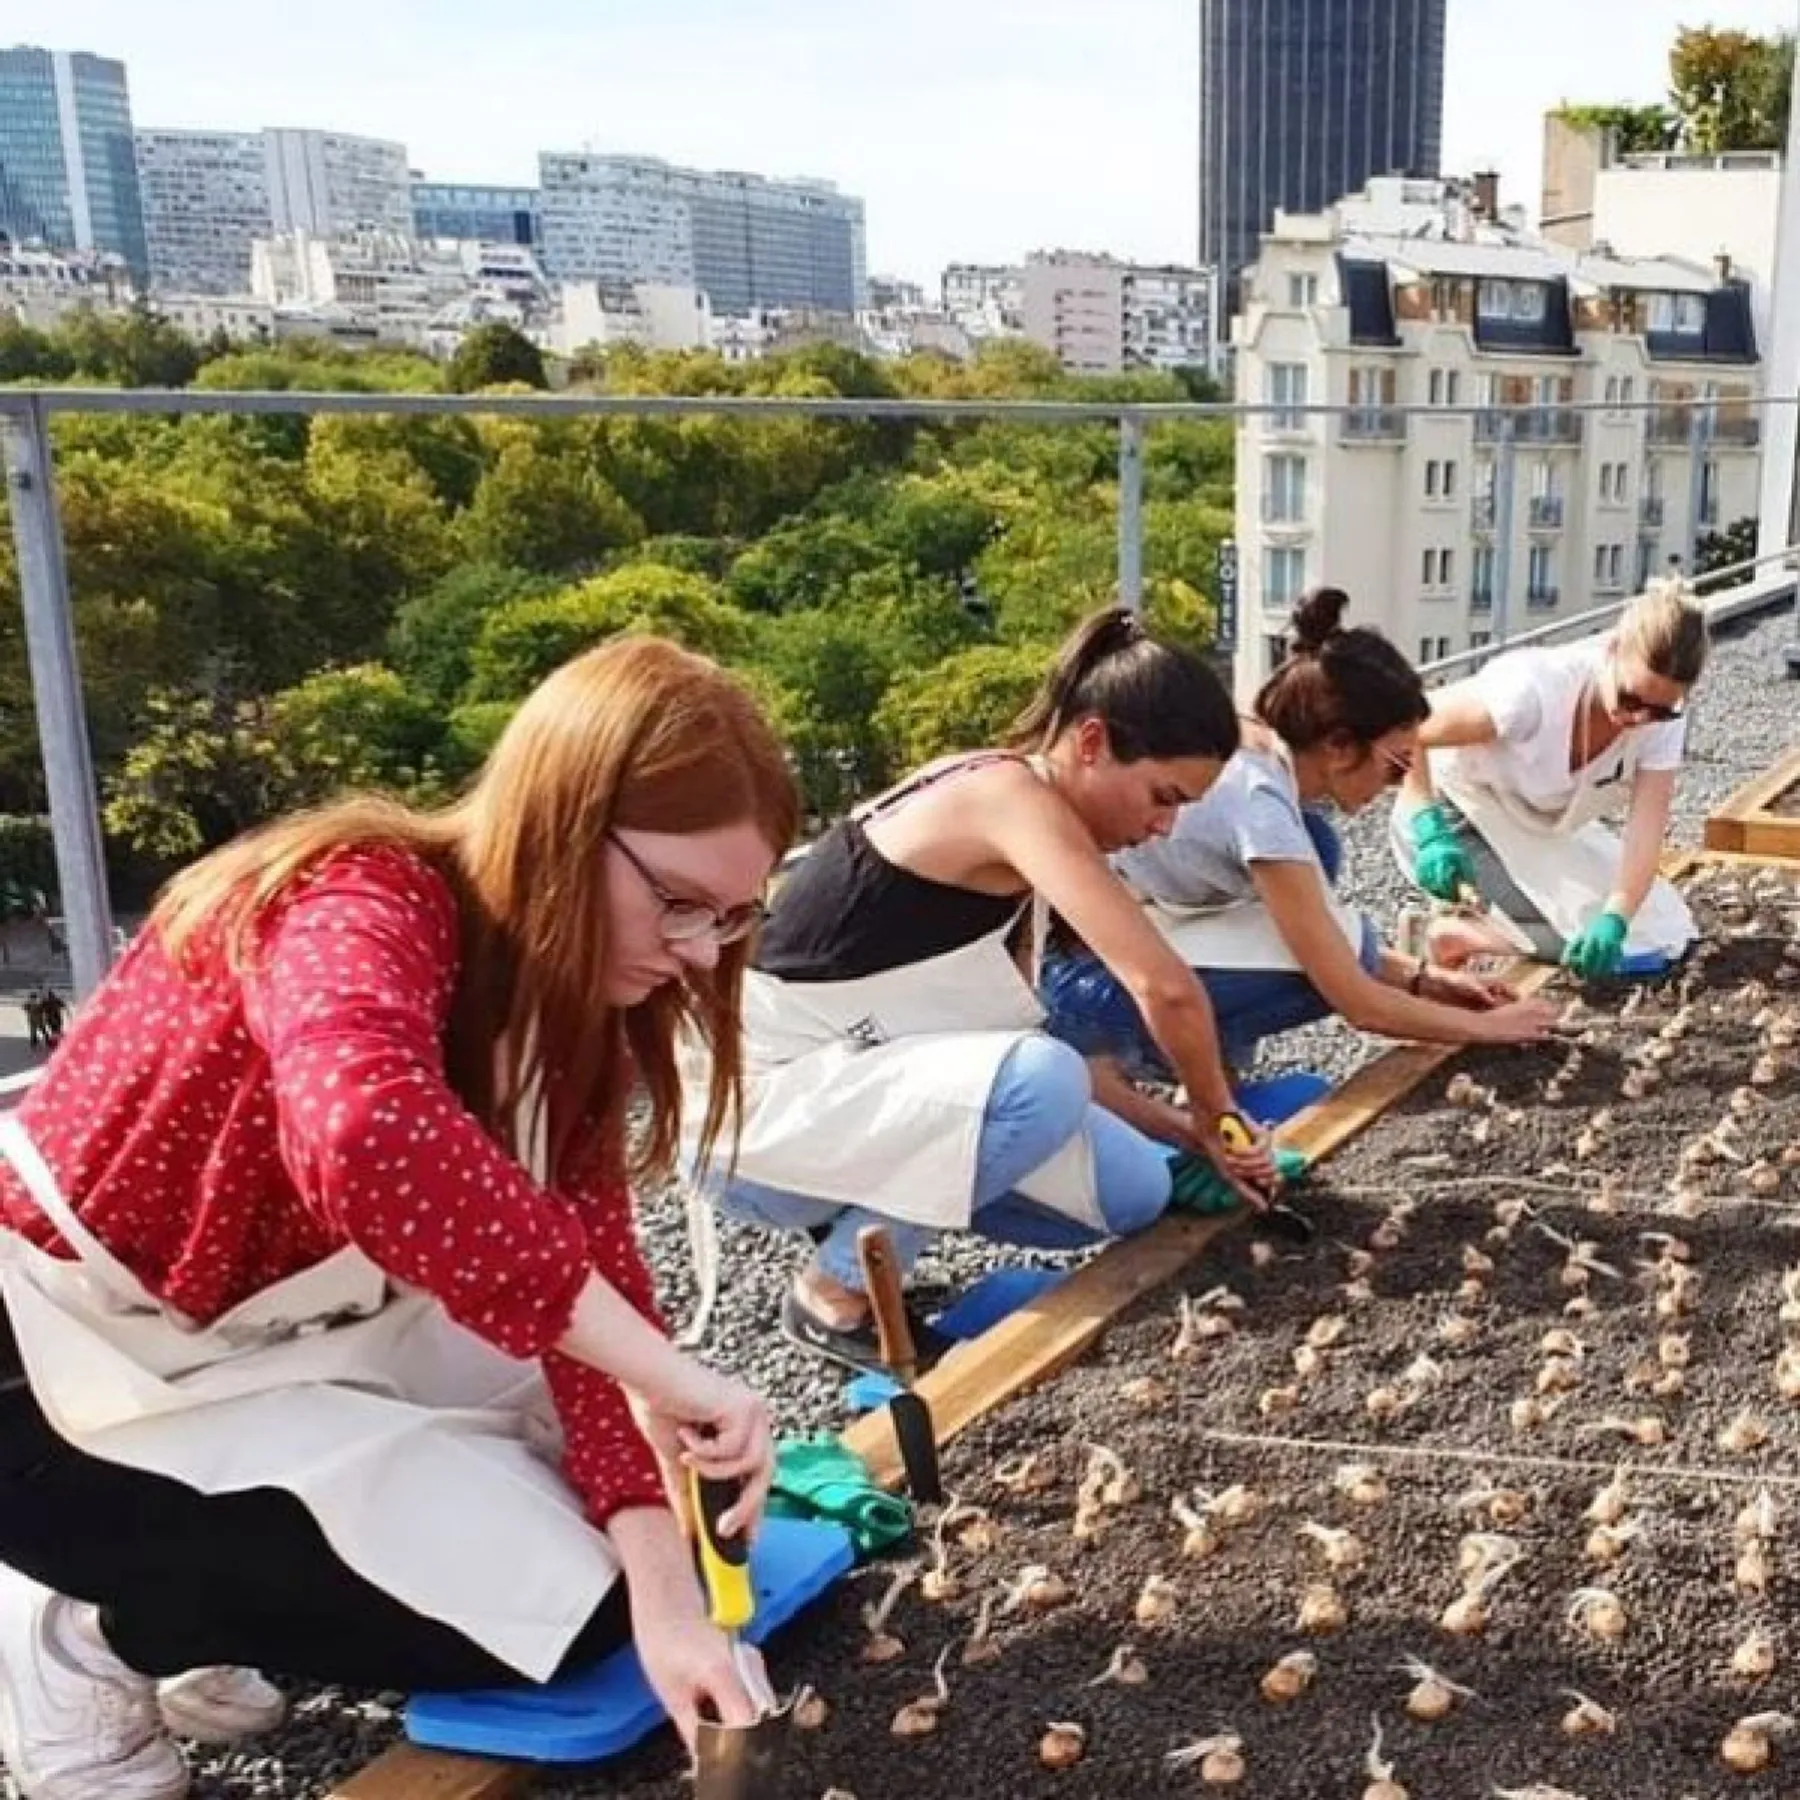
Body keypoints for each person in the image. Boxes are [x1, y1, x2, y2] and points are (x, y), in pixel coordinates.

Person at [0, 636, 797, 1800]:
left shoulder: (571, 1001)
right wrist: (674, 1378)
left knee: (576, 1610)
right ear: (557, 822)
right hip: (54, 1372)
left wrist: (672, 1605)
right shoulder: (355, 899)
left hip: (269, 1350)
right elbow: (362, 1131)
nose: (694, 953)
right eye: (676, 902)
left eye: (728, 918)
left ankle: (197, 1592)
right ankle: (81, 1634)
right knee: (492, 1580)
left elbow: (600, 1292)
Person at [682, 606, 1283, 1375]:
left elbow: (1056, 1054)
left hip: (852, 1093)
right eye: (1162, 795)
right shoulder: (1002, 798)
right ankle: (834, 1291)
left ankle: (869, 1236)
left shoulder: (1035, 830)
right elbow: (1163, 989)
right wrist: (1218, 1110)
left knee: (1132, 1191)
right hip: (755, 1124)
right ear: (1092, 742)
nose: (1164, 827)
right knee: (1042, 1081)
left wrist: (1185, 1134)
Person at [1394, 580, 1708, 975]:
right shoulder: (1532, 692)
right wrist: (1428, 826)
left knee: (1665, 931)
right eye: (1630, 700)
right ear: (1611, 650)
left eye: (1660, 711)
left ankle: (1475, 930)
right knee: (1569, 931)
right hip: (1459, 812)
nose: (1639, 719)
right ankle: (1447, 932)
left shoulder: (1662, 721)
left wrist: (1616, 916)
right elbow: (1409, 727)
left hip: (1540, 823)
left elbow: (1645, 834)